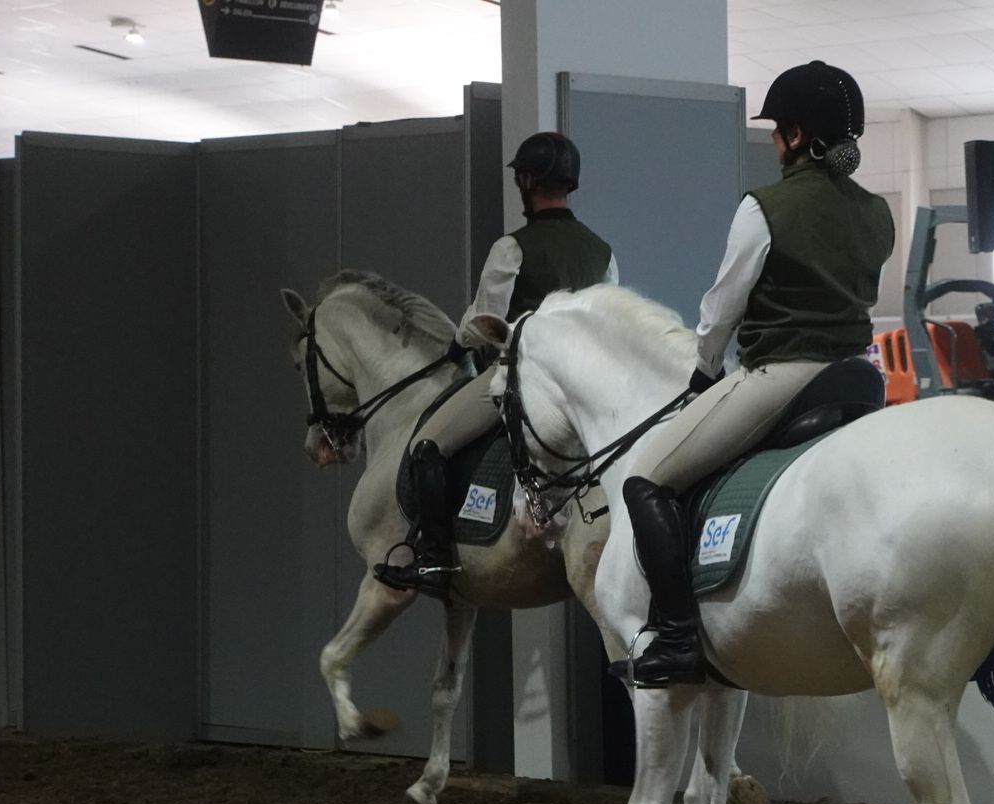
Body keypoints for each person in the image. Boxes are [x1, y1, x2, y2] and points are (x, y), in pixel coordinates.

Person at [610, 61, 895, 688]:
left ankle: (678, 638)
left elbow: (720, 311)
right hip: (857, 377)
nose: (772, 142)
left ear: (796, 136)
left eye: (776, 131)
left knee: (647, 481)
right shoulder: (878, 212)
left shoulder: (763, 207)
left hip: (782, 375)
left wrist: (704, 370)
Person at [375, 131, 617, 598]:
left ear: (527, 180)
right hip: (584, 391)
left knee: (427, 445)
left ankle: (434, 560)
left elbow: (480, 320)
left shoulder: (513, 247)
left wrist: (458, 342)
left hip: (521, 380)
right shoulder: (602, 252)